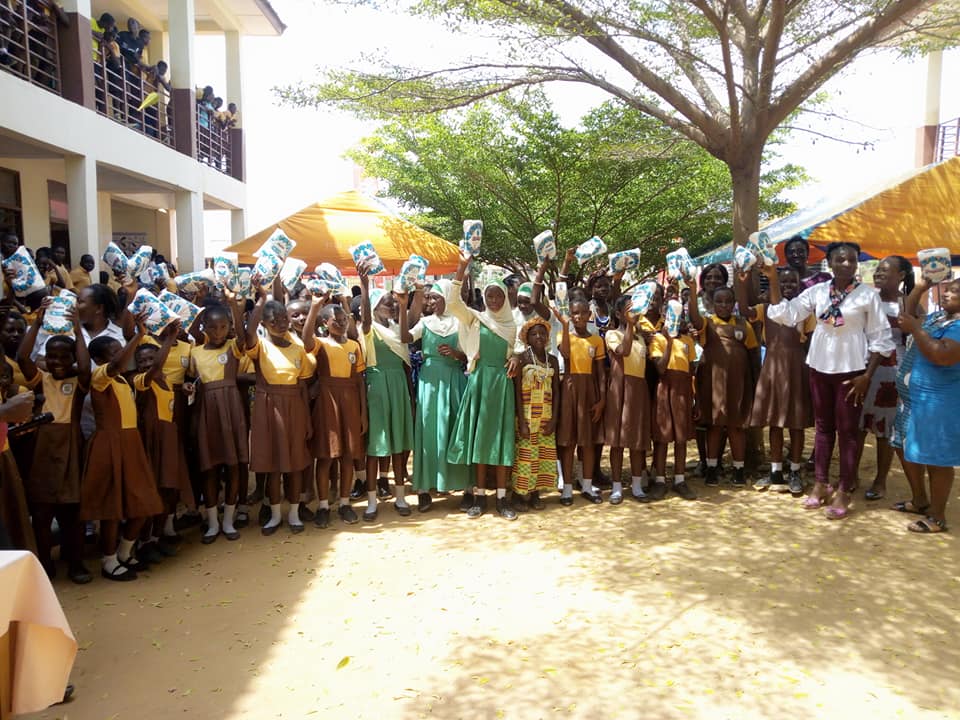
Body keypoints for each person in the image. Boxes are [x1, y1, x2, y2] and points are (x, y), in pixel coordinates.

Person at [764, 242, 896, 519]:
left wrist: (866, 377)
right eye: (840, 259)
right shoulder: (817, 292)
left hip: (853, 374)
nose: (846, 264)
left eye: (851, 260)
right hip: (820, 369)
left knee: (848, 432)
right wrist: (773, 278)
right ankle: (822, 484)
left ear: (857, 264)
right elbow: (786, 314)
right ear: (830, 262)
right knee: (823, 429)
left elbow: (880, 339)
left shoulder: (867, 296)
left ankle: (845, 489)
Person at [82, 327, 164, 581]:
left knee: (143, 501)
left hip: (131, 442)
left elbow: (155, 369)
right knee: (112, 508)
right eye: (114, 352)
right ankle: (108, 561)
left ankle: (125, 551)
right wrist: (137, 337)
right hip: (110, 444)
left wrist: (169, 337)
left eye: (120, 350)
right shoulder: (99, 376)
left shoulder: (125, 380)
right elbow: (116, 365)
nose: (121, 355)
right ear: (98, 359)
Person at [17, 301, 91, 582]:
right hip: (43, 449)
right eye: (52, 357)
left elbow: (84, 366)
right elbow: (24, 357)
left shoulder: (79, 382)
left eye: (64, 357)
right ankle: (45, 564)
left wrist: (76, 330)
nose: (58, 362)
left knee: (72, 513)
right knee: (42, 512)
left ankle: (76, 563)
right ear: (45, 358)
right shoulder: (42, 379)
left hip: (71, 446)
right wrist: (36, 322)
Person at [446, 255, 518, 519]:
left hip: (502, 386)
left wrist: (517, 358)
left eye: (499, 296)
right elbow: (453, 303)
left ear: (506, 298)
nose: (494, 301)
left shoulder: (512, 326)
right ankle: (479, 497)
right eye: (490, 296)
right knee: (479, 441)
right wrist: (462, 269)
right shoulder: (475, 319)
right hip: (479, 384)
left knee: (500, 442)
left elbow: (517, 352)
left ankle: (501, 499)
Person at [739, 267, 814, 495]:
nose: (789, 285)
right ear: (775, 284)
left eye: (793, 282)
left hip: (797, 367)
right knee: (774, 420)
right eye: (784, 282)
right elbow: (744, 310)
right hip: (772, 367)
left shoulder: (806, 312)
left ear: (800, 285)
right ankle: (775, 471)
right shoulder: (766, 308)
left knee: (796, 422)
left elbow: (810, 342)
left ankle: (794, 469)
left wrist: (811, 372)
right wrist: (742, 284)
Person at [245, 288, 313, 535]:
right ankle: (274, 515)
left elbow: (303, 384)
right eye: (274, 321)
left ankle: (294, 514)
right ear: (264, 323)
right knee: (274, 466)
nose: (281, 324)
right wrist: (261, 300)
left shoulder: (297, 348)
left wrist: (306, 419)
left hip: (293, 406)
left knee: (294, 465)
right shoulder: (259, 346)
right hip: (268, 406)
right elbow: (249, 333)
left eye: (284, 319)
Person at [895, 277, 960, 533]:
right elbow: (906, 317)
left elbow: (942, 355)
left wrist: (916, 330)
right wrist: (921, 287)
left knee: (938, 460)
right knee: (914, 449)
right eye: (948, 288)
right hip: (918, 401)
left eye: (955, 291)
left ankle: (937, 516)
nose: (947, 294)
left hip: (940, 403)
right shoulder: (938, 318)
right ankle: (921, 502)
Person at [399, 280, 470, 510]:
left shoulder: (460, 323)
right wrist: (402, 307)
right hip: (430, 383)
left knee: (454, 431)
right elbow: (406, 338)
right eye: (429, 298)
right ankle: (424, 489)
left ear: (447, 299)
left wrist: (456, 354)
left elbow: (470, 355)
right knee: (429, 431)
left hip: (453, 379)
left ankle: (465, 486)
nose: (431, 302)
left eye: (435, 298)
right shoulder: (425, 322)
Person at [186, 303, 250, 542]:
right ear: (204, 328)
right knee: (209, 467)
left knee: (233, 465)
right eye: (212, 327)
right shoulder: (196, 352)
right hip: (207, 411)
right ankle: (212, 522)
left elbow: (245, 337)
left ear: (230, 327)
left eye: (223, 327)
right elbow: (192, 379)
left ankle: (228, 520)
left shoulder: (234, 347)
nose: (218, 332)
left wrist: (234, 305)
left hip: (231, 409)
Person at [688, 279, 760, 486]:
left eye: (728, 302)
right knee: (715, 426)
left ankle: (738, 469)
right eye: (719, 302)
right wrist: (693, 290)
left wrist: (756, 382)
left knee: (736, 427)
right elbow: (694, 318)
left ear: (734, 303)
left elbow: (753, 353)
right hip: (713, 381)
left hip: (739, 382)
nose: (724, 305)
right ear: (712, 304)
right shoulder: (707, 323)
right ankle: (712, 468)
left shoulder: (742, 324)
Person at [302, 296, 367, 528]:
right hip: (327, 401)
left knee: (348, 455)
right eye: (335, 320)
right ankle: (322, 506)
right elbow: (306, 340)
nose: (340, 323)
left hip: (349, 401)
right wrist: (315, 307)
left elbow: (359, 380)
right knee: (326, 456)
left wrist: (363, 413)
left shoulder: (354, 346)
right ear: (325, 323)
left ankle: (345, 503)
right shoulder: (320, 343)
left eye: (343, 319)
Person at [358, 269, 414, 519]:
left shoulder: (396, 329)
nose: (390, 307)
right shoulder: (368, 329)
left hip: (399, 386)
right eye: (386, 303)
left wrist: (403, 305)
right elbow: (366, 317)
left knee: (399, 446)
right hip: (378, 386)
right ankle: (372, 501)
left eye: (391, 303)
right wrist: (365, 285)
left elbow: (405, 362)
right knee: (376, 446)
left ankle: (400, 497)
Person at [133, 323, 193, 559]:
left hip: (168, 435)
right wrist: (171, 338)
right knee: (155, 490)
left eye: (151, 359)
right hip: (152, 438)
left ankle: (157, 537)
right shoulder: (141, 381)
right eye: (143, 361)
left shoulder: (166, 380)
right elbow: (156, 366)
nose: (148, 364)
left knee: (168, 490)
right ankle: (144, 541)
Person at [859, 255, 913, 501]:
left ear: (901, 276)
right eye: (877, 269)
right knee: (858, 425)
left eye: (885, 270)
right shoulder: (867, 299)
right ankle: (850, 475)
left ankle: (880, 481)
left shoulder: (907, 303)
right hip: (863, 370)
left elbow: (916, 334)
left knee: (884, 429)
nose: (879, 273)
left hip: (893, 374)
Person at [553, 296, 607, 505]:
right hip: (569, 389)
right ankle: (567, 488)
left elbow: (601, 373)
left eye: (582, 313)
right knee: (568, 442)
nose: (578, 317)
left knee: (588, 442)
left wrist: (602, 399)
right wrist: (565, 326)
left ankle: (587, 485)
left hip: (589, 392)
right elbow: (565, 354)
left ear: (589, 315)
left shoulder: (596, 340)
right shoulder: (562, 334)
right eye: (574, 313)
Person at [604, 295, 653, 503]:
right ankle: (616, 487)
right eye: (629, 310)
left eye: (636, 309)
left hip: (638, 389)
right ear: (618, 314)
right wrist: (632, 327)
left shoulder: (641, 339)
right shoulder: (612, 334)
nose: (634, 313)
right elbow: (623, 352)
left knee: (637, 440)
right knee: (617, 441)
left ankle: (636, 486)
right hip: (620, 389)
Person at [648, 315, 698, 501]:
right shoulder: (657, 340)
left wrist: (695, 399)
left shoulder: (687, 341)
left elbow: (692, 370)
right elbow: (660, 369)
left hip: (683, 391)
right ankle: (660, 480)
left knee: (681, 438)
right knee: (662, 438)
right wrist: (668, 342)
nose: (676, 323)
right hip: (664, 389)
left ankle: (679, 480)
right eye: (671, 318)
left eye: (679, 319)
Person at [511, 317, 559, 509]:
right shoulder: (521, 359)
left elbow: (557, 392)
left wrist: (554, 419)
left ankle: (535, 493)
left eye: (542, 333)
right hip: (527, 417)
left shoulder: (553, 360)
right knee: (524, 456)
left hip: (545, 417)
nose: (539, 336)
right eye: (534, 333)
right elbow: (516, 393)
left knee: (542, 456)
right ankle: (518, 494)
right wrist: (521, 421)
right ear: (527, 338)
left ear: (548, 337)